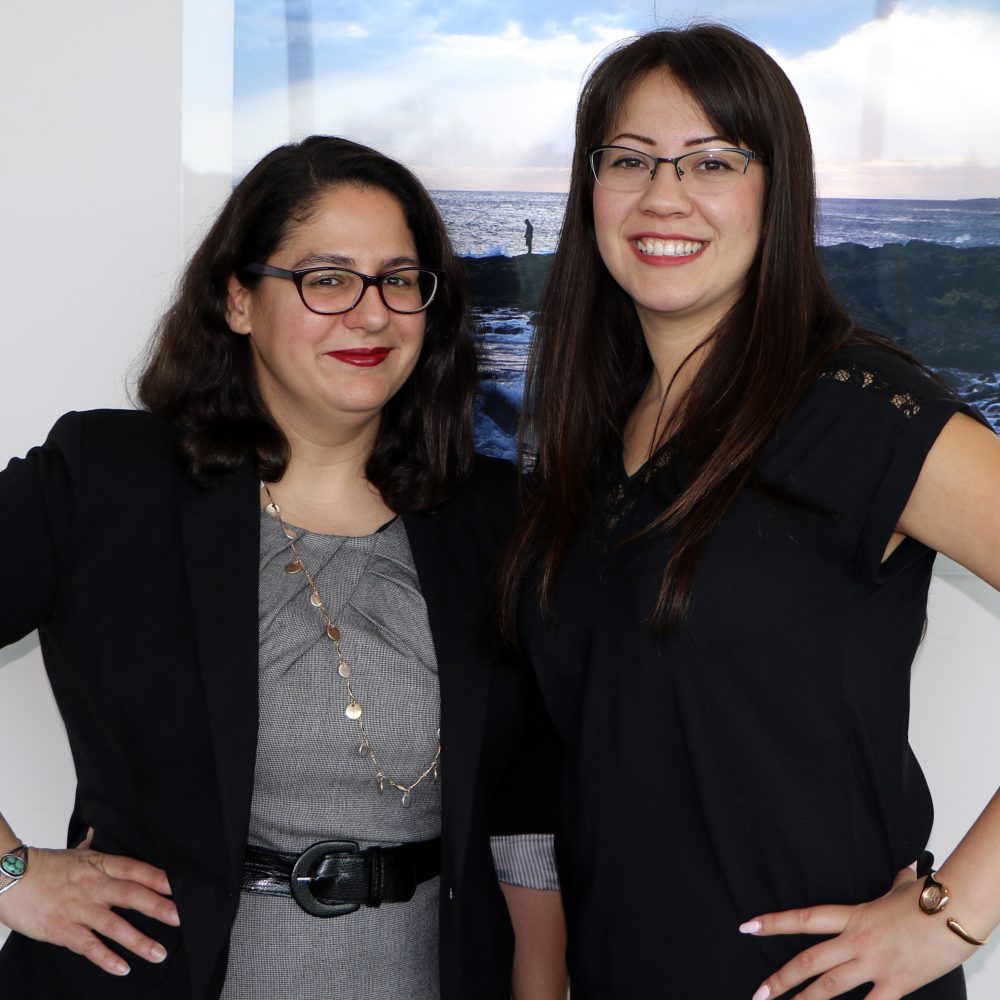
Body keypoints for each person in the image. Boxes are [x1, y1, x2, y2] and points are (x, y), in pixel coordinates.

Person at [495, 23, 1000, 1000]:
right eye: (629, 159)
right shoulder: (590, 438)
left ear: (778, 191)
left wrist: (955, 916)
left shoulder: (860, 409)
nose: (663, 194)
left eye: (713, 160)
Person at [0, 136, 566, 1000]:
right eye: (326, 279)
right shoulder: (106, 481)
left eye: (399, 279)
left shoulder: (494, 516)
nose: (371, 315)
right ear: (238, 300)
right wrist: (9, 875)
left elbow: (526, 807)